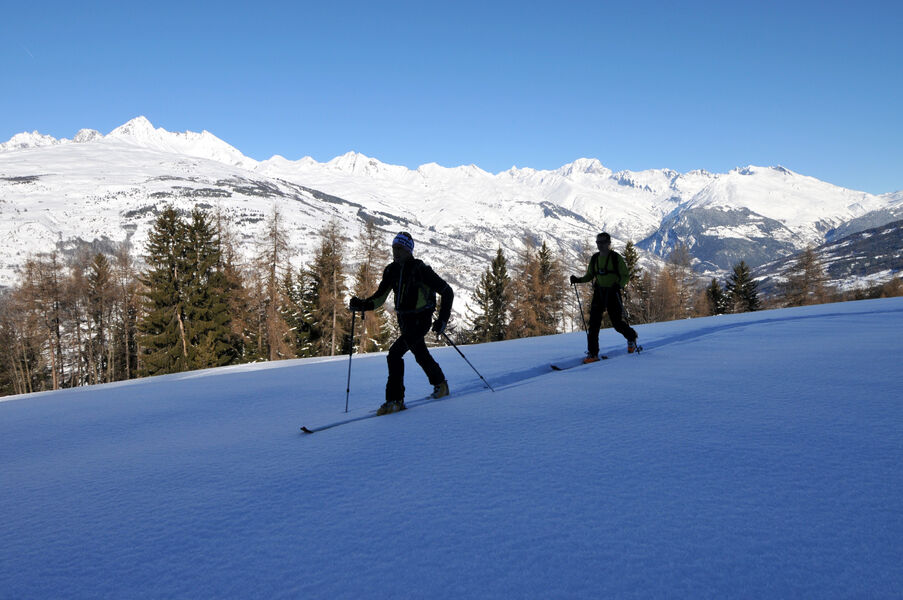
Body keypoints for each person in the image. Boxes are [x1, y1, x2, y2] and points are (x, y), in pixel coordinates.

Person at [350, 232, 454, 415]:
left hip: (421, 321)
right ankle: (441, 385)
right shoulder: (392, 270)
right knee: (420, 353)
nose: (395, 252)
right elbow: (380, 298)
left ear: (409, 250)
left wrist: (442, 320)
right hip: (404, 321)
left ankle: (395, 400)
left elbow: (447, 292)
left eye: (399, 249)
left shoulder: (421, 269)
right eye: (394, 248)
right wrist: (362, 305)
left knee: (394, 355)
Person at [569, 232, 638, 363]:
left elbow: (625, 276)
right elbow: (590, 275)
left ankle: (631, 336)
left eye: (602, 242)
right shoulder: (595, 258)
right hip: (599, 293)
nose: (599, 245)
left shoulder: (616, 258)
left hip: (613, 293)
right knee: (593, 325)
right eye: (598, 242)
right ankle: (593, 353)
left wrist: (619, 285)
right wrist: (578, 280)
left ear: (608, 243)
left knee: (617, 324)